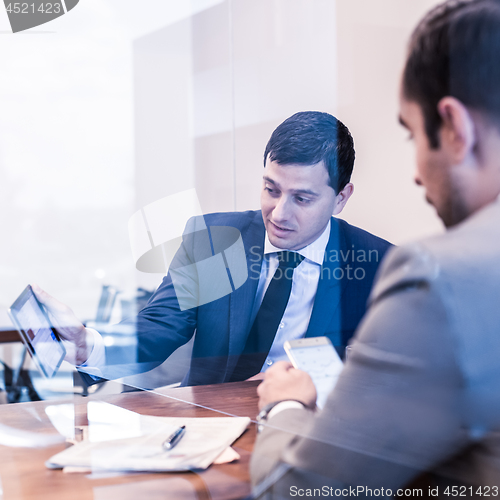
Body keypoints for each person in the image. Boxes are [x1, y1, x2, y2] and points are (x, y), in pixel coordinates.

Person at [251, 0, 500, 496]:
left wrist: (283, 405)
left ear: (453, 129)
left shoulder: (434, 275)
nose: (414, 171)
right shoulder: (216, 243)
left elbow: (294, 488)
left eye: (412, 135)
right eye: (271, 189)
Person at [34, 111, 391, 386]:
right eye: (271, 189)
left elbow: (387, 374)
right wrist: (87, 345)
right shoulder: (213, 240)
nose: (280, 213)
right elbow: (160, 326)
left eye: (302, 198)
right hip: (208, 426)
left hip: (307, 436)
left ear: (341, 198)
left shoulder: (378, 264)